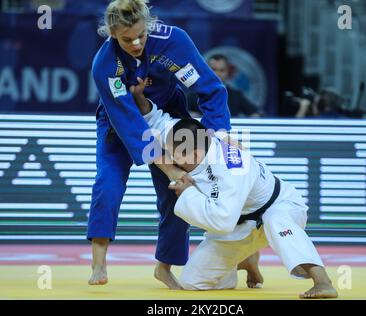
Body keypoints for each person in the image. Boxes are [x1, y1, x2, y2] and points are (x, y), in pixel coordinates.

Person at [88, 0, 261, 289]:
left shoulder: (174, 41)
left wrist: (220, 135)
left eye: (141, 34)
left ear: (149, 23)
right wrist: (168, 168)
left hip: (170, 113)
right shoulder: (105, 64)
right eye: (126, 39)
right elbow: (133, 125)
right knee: (108, 184)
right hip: (119, 123)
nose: (136, 43)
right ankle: (98, 263)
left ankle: (165, 266)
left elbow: (211, 89)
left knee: (179, 192)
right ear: (111, 34)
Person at [131, 83, 338, 298]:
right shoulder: (184, 135)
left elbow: (222, 221)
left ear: (195, 155)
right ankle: (242, 261)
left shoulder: (232, 166)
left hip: (278, 206)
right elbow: (155, 120)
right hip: (239, 222)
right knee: (191, 282)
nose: (171, 160)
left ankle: (322, 281)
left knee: (276, 220)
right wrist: (138, 95)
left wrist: (187, 194)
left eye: (176, 157)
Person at [187, 54, 263, 118]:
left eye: (221, 70)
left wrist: (254, 118)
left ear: (227, 72)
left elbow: (257, 113)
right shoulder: (194, 94)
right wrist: (189, 115)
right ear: (206, 70)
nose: (217, 74)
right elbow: (179, 114)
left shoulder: (236, 95)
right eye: (213, 69)